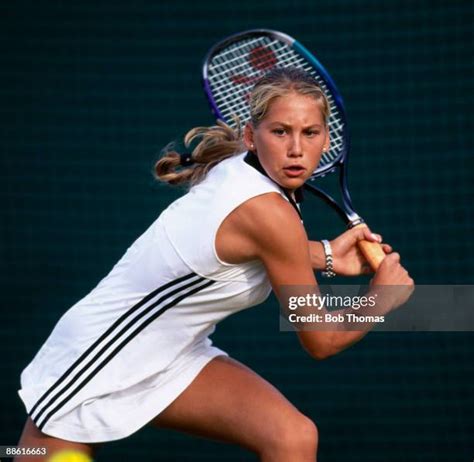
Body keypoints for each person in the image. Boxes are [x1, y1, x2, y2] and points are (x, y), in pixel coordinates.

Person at [16, 67, 414, 462]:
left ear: (327, 138)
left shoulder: (245, 170)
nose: (296, 148)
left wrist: (324, 255)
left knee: (291, 437)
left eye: (310, 133)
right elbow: (320, 340)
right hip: (96, 357)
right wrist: (380, 299)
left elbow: (235, 247)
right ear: (250, 137)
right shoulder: (269, 213)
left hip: (175, 353)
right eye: (280, 131)